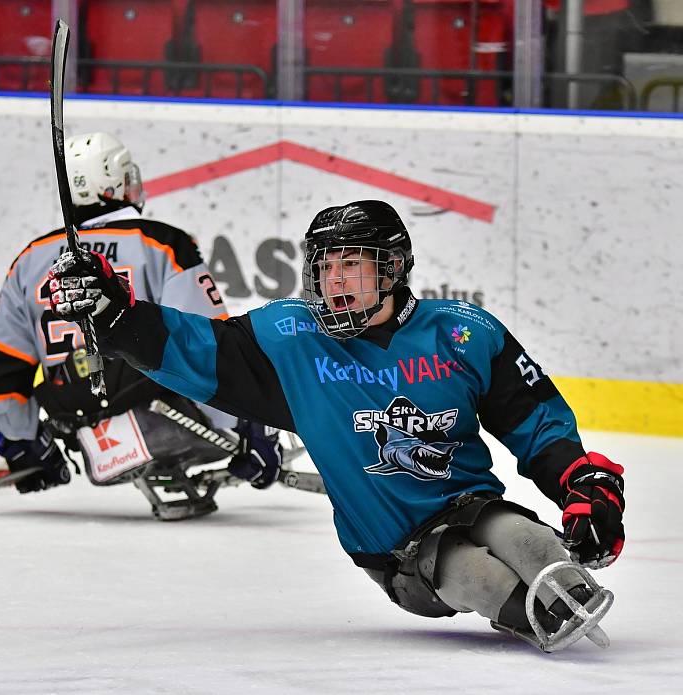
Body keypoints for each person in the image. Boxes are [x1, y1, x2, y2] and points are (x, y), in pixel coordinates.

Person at [46, 199, 625, 652]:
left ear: (394, 268)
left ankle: (571, 595)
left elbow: (534, 419)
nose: (335, 281)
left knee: (529, 541)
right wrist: (120, 318)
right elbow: (202, 350)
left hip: (471, 499)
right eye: (326, 267)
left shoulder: (464, 332)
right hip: (394, 551)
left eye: (352, 264)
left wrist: (583, 485)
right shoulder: (292, 341)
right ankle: (530, 617)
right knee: (479, 579)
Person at [0, 131, 282, 520]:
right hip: (163, 408)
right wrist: (248, 423)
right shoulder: (163, 243)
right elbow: (208, 345)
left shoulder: (30, 258)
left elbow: (3, 367)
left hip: (77, 421)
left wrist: (22, 439)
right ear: (111, 184)